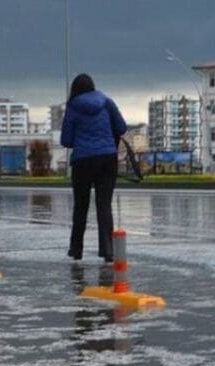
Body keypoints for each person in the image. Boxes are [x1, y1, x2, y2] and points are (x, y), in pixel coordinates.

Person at [60, 73, 127, 263]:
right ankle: (108, 250)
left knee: (80, 206)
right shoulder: (107, 102)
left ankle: (76, 249)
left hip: (82, 161)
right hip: (107, 159)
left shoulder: (72, 107)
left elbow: (65, 140)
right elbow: (121, 128)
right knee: (104, 204)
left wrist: (81, 139)